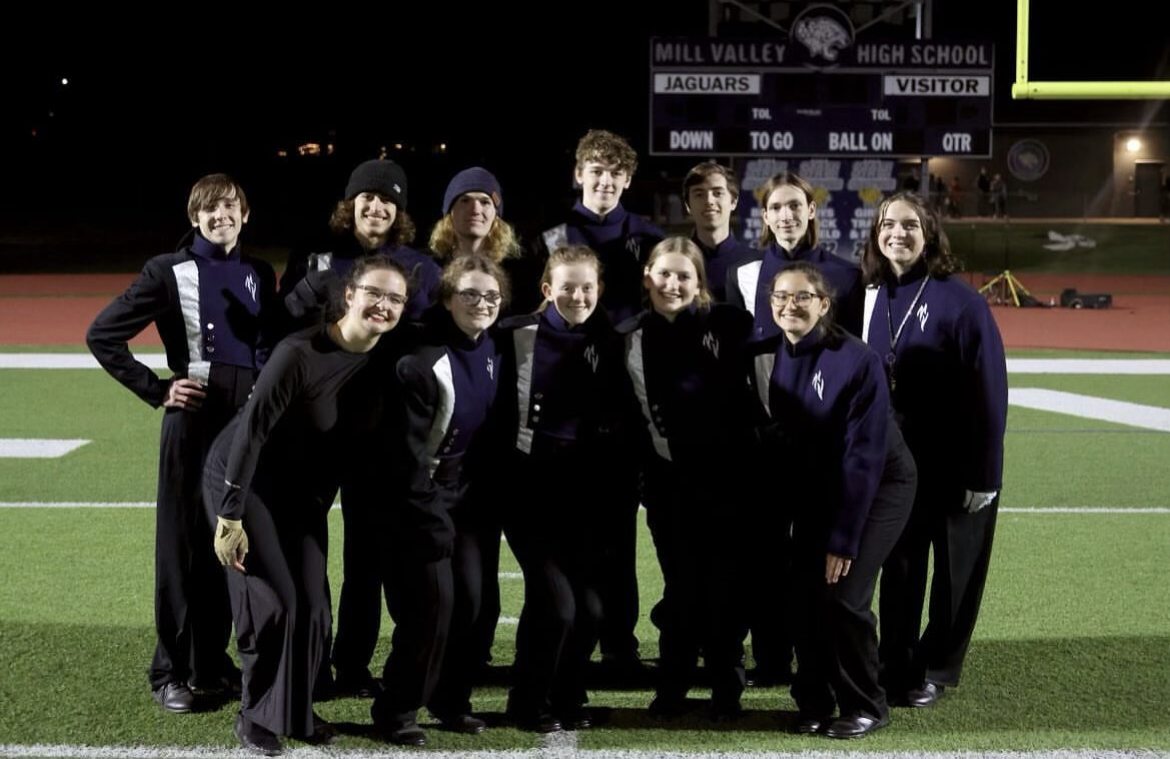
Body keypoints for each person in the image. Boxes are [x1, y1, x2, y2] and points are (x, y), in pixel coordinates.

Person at [203, 255, 411, 755]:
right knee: (276, 601)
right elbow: (250, 433)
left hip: (302, 493)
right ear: (350, 295)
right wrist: (229, 514)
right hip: (245, 482)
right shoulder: (299, 351)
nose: (382, 305)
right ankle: (254, 714)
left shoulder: (383, 359)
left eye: (395, 298)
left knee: (315, 610)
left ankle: (294, 712)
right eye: (374, 293)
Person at [86, 173, 277, 714]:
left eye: (231, 207)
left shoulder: (260, 272)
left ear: (245, 213)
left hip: (241, 425)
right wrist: (158, 388)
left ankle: (210, 663)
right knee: (180, 545)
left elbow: (265, 345)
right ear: (195, 218)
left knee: (226, 540)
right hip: (191, 422)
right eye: (210, 209)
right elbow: (103, 333)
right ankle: (167, 671)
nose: (222, 216)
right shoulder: (167, 271)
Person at [280, 157, 440, 699]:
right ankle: (309, 660)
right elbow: (285, 324)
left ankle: (351, 662)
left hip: (379, 432)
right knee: (306, 550)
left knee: (366, 556)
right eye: (366, 198)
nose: (376, 207)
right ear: (351, 204)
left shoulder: (419, 264)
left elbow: (430, 339)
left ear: (399, 211)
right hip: (315, 426)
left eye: (387, 200)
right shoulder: (316, 254)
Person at [746, 261, 916, 739]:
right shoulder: (762, 354)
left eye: (802, 297)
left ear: (824, 304)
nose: (790, 305)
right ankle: (815, 700)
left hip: (879, 485)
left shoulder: (856, 359)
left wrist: (843, 540)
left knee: (843, 595)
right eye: (781, 296)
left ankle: (867, 704)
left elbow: (862, 457)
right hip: (819, 489)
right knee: (802, 595)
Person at [860, 191, 1008, 709]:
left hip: (956, 463)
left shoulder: (962, 301)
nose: (896, 233)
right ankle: (895, 663)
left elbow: (990, 393)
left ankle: (938, 665)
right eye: (886, 224)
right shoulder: (873, 295)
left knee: (955, 574)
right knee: (900, 569)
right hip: (898, 466)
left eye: (908, 225)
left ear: (929, 233)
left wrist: (985, 475)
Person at [533, 129, 665, 682]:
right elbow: (532, 312)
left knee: (617, 534)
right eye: (595, 169)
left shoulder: (648, 234)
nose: (605, 180)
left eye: (616, 173)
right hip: (562, 404)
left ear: (627, 179)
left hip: (620, 403)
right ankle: (566, 642)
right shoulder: (550, 234)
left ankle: (619, 643)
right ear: (578, 174)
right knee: (561, 535)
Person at [371, 256, 507, 747]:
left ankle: (451, 700)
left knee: (471, 601)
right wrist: (432, 514)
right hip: (413, 497)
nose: (482, 303)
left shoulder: (491, 346)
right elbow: (404, 460)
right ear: (448, 299)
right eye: (470, 293)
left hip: (463, 494)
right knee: (432, 604)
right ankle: (395, 708)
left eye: (491, 296)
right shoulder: (420, 363)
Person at [618, 237, 753, 719]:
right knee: (680, 586)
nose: (672, 284)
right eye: (664, 273)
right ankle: (672, 681)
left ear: (699, 283)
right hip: (668, 485)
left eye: (684, 275)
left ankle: (725, 685)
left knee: (724, 587)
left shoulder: (731, 325)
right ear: (647, 276)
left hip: (728, 485)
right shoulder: (629, 336)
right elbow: (629, 419)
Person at [495, 245, 626, 733]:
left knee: (590, 608)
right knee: (556, 603)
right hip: (529, 492)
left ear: (600, 291)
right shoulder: (512, 335)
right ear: (547, 290)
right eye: (567, 286)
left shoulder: (609, 339)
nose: (578, 295)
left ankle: (568, 694)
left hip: (586, 496)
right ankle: (525, 700)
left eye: (587, 286)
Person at [427, 165, 521, 676]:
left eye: (486, 201)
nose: (477, 209)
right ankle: (432, 669)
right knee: (442, 581)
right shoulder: (428, 272)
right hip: (441, 450)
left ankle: (468, 666)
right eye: (465, 201)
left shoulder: (517, 271)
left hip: (492, 445)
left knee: (479, 571)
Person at [726, 171, 864, 341]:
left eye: (794, 205)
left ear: (811, 210)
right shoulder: (742, 274)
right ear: (765, 216)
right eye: (776, 207)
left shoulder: (847, 275)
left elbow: (852, 351)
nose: (786, 216)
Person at [682, 162, 755, 303]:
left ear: (733, 201)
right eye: (699, 194)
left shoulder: (755, 263)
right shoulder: (674, 262)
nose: (709, 201)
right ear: (687, 205)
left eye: (717, 193)